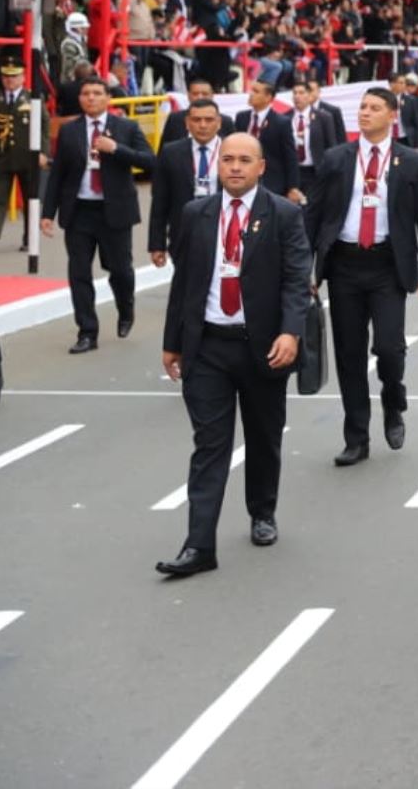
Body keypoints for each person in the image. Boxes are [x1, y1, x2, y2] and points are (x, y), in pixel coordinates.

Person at [155, 133, 311, 578]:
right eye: (228, 160)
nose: (235, 167)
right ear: (217, 166)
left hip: (262, 347)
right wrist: (172, 342)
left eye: (245, 160)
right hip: (207, 348)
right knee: (209, 446)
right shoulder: (195, 213)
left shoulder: (283, 214)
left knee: (263, 437)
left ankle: (262, 512)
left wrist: (290, 333)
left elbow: (297, 279)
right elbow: (183, 282)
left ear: (262, 167)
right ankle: (198, 544)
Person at [305, 87, 418, 465]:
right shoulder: (336, 159)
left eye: (374, 107)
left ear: (392, 115)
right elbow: (313, 216)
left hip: (387, 266)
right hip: (345, 265)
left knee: (388, 347)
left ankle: (393, 400)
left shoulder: (411, 162)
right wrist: (306, 269)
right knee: (349, 355)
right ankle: (357, 437)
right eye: (362, 107)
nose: (365, 113)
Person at [42, 77, 156, 353]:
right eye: (85, 93)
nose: (91, 98)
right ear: (80, 98)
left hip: (114, 210)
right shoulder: (70, 131)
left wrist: (115, 149)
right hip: (80, 210)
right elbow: (58, 174)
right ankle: (87, 332)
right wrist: (48, 213)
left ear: (107, 98)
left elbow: (149, 160)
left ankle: (125, 308)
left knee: (120, 270)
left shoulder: (125, 127)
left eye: (96, 93)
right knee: (79, 272)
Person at [149, 99, 225, 266]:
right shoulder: (171, 152)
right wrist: (157, 244)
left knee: (223, 285)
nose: (203, 125)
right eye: (197, 120)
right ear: (187, 123)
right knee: (187, 288)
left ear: (219, 123)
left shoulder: (233, 150)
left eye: (209, 120)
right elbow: (160, 201)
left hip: (224, 230)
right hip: (184, 233)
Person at [0, 61, 42, 252]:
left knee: (30, 201)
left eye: (14, 76)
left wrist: (43, 152)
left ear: (23, 78)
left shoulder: (32, 98)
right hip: (2, 158)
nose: (10, 80)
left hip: (27, 158)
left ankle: (30, 239)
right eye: (6, 77)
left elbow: (44, 127)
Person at [234, 79, 299, 199]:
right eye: (251, 90)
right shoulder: (241, 117)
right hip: (243, 180)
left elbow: (290, 156)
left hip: (272, 183)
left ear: (268, 97)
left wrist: (292, 187)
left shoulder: (281, 122)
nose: (251, 94)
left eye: (256, 91)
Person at [289, 79, 345, 200]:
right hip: (294, 172)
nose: (297, 96)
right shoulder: (285, 118)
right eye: (295, 93)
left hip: (315, 170)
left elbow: (331, 146)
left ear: (309, 96)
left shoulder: (324, 117)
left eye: (301, 93)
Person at [159, 79, 234, 149]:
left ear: (212, 95)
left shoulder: (226, 121)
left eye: (204, 94)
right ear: (188, 96)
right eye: (195, 94)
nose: (200, 97)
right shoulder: (175, 119)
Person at [391, 73, 418, 150]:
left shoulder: (410, 101)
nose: (404, 86)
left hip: (406, 139)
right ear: (393, 84)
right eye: (401, 83)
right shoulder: (385, 100)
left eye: (404, 83)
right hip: (390, 138)